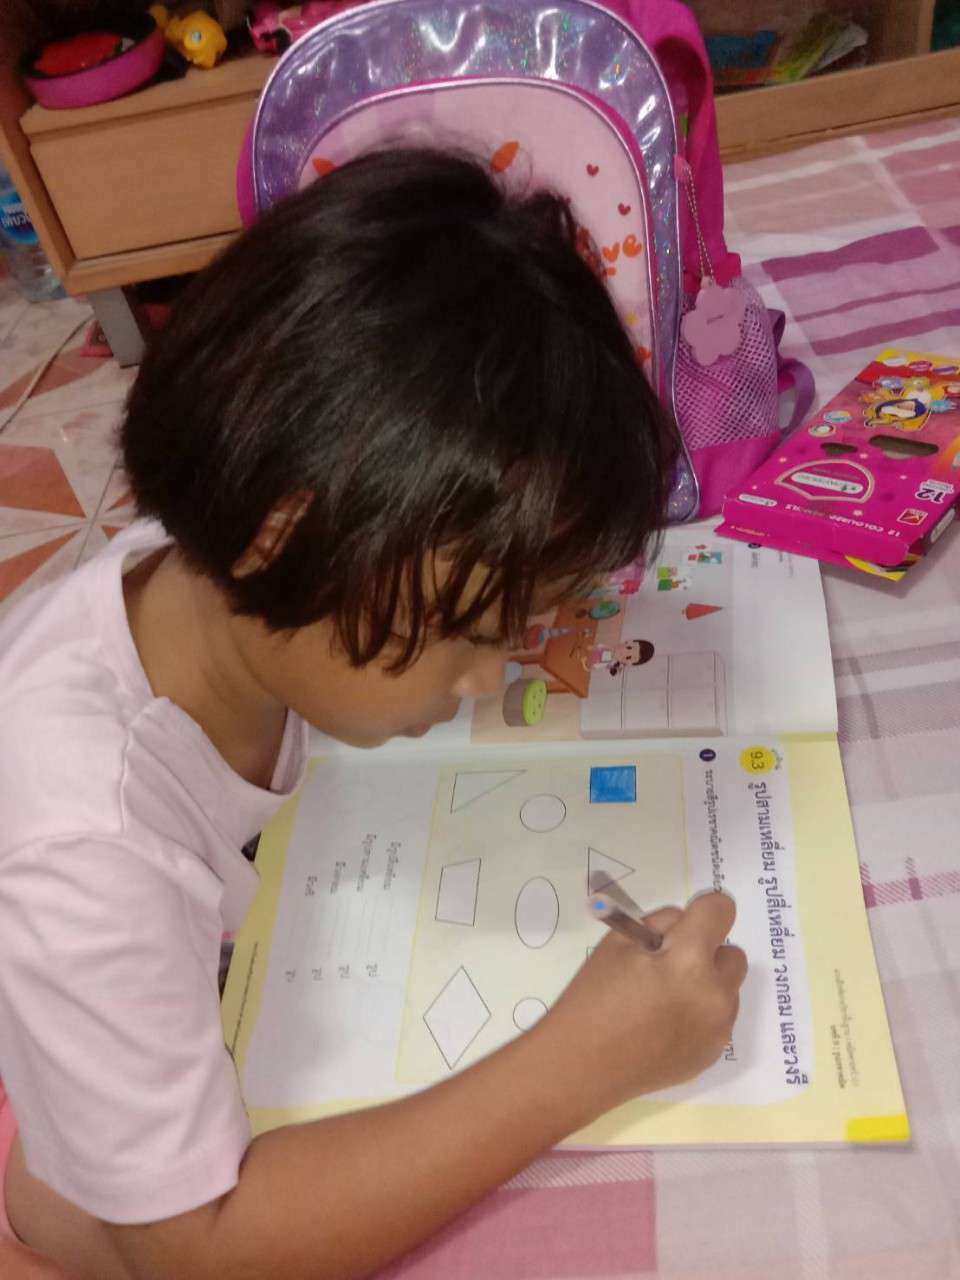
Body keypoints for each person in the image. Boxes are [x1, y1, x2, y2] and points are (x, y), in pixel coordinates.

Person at [0, 148, 747, 1280]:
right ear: (285, 540)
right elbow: (201, 1251)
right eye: (470, 631)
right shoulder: (85, 851)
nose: (486, 677)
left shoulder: (213, 576)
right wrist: (583, 1060)